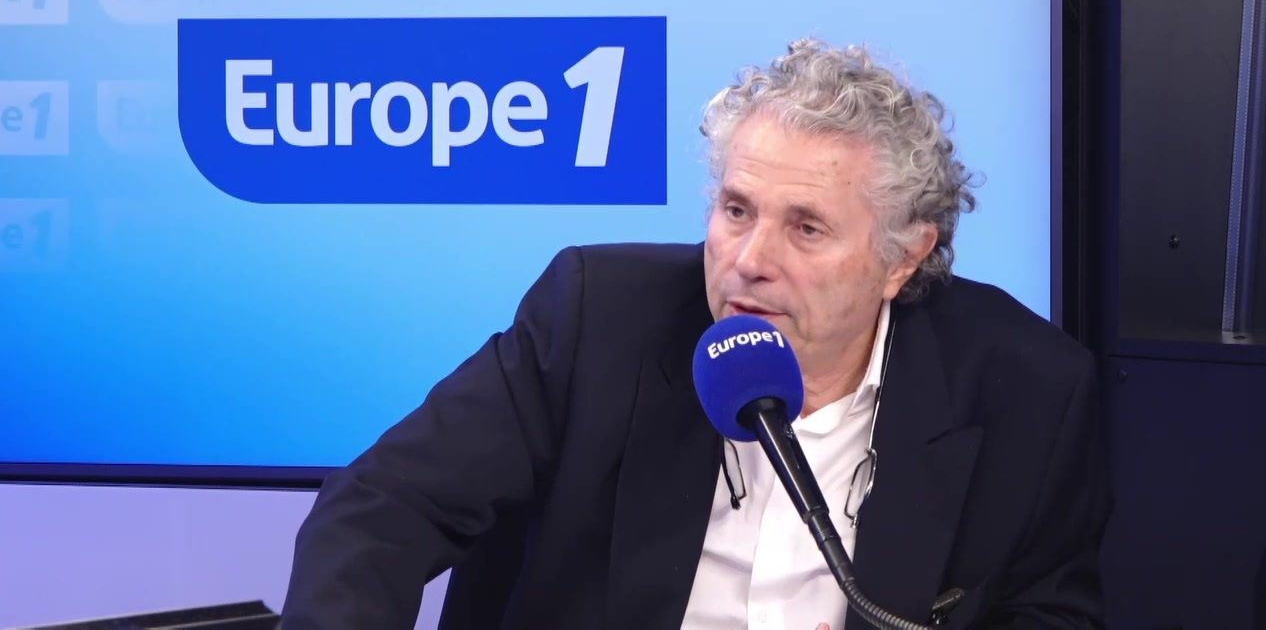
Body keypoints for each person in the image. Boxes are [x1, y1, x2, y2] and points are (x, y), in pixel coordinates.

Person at [280, 39, 1109, 629]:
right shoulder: (597, 320)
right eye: (737, 210)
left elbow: (1048, 613)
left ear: (903, 257)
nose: (750, 261)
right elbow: (384, 506)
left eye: (807, 228)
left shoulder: (1024, 389)